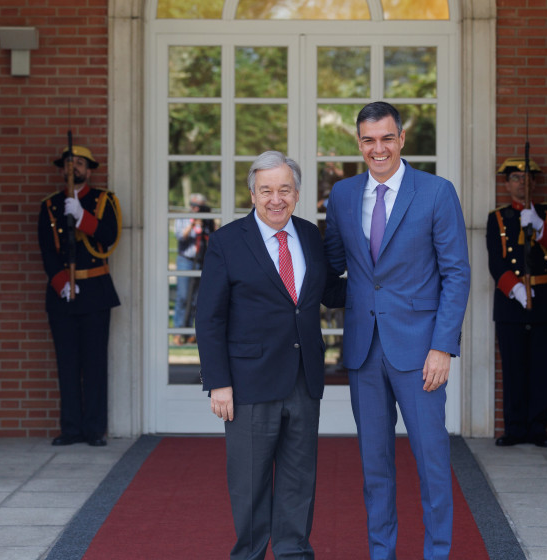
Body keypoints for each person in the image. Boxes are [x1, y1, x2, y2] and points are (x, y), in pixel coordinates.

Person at [323, 101, 471, 560]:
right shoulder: (344, 196)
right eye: (369, 139)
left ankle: (437, 552)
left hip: (421, 351)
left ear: (402, 139)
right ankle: (382, 553)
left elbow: (457, 274)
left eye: (387, 138)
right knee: (375, 467)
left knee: (431, 462)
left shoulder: (436, 192)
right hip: (364, 352)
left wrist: (443, 347)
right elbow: (331, 269)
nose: (378, 148)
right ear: (359, 142)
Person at [196, 151, 345, 560]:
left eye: (284, 189)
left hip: (303, 378)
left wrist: (382, 280)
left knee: (300, 480)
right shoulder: (227, 241)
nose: (275, 198)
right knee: (250, 484)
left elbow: (329, 292)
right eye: (266, 190)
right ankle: (249, 554)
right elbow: (209, 318)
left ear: (297, 194)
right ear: (252, 194)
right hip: (248, 383)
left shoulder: (311, 235)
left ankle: (295, 552)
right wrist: (218, 383)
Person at [38, 144, 121, 447]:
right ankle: (71, 429)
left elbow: (110, 235)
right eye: (69, 162)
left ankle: (94, 429)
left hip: (96, 292)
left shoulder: (103, 201)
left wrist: (83, 217)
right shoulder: (50, 205)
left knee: (95, 364)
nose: (73, 167)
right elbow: (47, 250)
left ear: (89, 168)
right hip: (64, 294)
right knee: (67, 364)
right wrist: (61, 282)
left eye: (79, 162)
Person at [487, 157, 547, 448]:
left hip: (546, 301)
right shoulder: (497, 218)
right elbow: (496, 261)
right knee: (513, 367)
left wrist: (540, 227)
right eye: (516, 177)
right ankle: (515, 428)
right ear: (507, 184)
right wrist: (516, 289)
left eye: (527, 177)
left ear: (535, 182)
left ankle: (537, 428)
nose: (522, 182)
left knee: (543, 367)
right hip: (512, 302)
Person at [174, 193, 212, 344]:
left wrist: (206, 224)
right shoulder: (183, 219)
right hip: (186, 260)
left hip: (202, 260)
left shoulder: (206, 221)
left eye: (200, 207)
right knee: (183, 297)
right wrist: (192, 224)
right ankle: (178, 331)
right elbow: (180, 236)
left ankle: (191, 332)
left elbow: (213, 236)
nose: (196, 209)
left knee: (197, 299)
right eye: (194, 206)